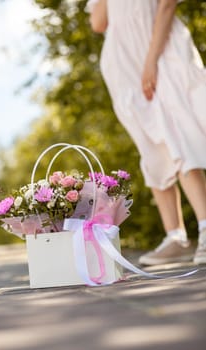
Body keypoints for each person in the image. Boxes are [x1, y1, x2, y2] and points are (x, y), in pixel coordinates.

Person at [87, 0, 206, 265]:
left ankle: (205, 225)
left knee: (179, 134)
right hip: (124, 63)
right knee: (151, 148)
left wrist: (151, 61)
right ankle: (175, 237)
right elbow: (98, 23)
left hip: (161, 49)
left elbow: (167, 5)